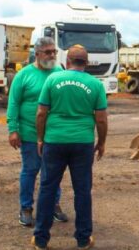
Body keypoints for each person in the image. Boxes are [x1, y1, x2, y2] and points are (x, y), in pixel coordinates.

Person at [33, 45, 108, 250]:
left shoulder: (52, 80)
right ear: (86, 63)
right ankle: (83, 240)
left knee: (47, 189)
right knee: (82, 191)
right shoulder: (96, 84)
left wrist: (40, 138)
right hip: (82, 143)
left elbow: (41, 113)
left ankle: (40, 240)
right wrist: (101, 142)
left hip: (54, 141)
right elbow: (100, 119)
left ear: (67, 62)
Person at [6, 37, 69, 227]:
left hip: (54, 135)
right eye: (48, 52)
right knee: (31, 171)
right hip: (30, 134)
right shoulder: (24, 75)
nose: (52, 55)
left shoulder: (59, 72)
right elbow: (13, 103)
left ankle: (53, 205)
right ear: (37, 53)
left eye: (54, 52)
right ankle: (26, 209)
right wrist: (13, 130)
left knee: (53, 173)